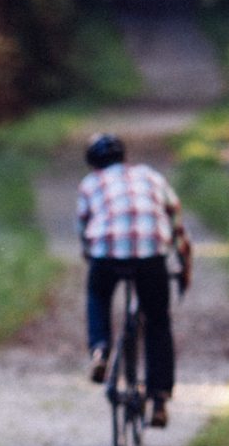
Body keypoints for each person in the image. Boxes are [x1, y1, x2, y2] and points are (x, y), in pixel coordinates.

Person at [77, 132, 191, 428]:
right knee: (157, 321)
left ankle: (100, 350)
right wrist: (184, 265)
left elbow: (84, 230)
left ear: (93, 164)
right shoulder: (151, 176)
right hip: (152, 255)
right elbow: (176, 223)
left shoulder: (91, 183)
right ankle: (160, 399)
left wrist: (93, 255)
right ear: (125, 157)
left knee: (98, 295)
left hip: (107, 255)